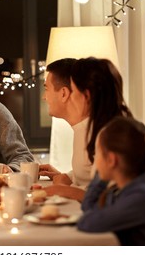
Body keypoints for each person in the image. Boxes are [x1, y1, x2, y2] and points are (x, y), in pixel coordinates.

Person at [40, 58, 132, 201]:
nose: (43, 97)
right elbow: (92, 177)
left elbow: (113, 196)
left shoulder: (106, 135)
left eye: (74, 90)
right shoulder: (87, 129)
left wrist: (63, 189)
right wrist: (67, 177)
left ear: (85, 95)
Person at [77, 117, 145, 245]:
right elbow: (88, 207)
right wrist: (102, 174)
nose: (95, 159)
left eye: (98, 153)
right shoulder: (124, 190)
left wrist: (100, 172)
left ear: (111, 160)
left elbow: (88, 222)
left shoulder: (140, 197)